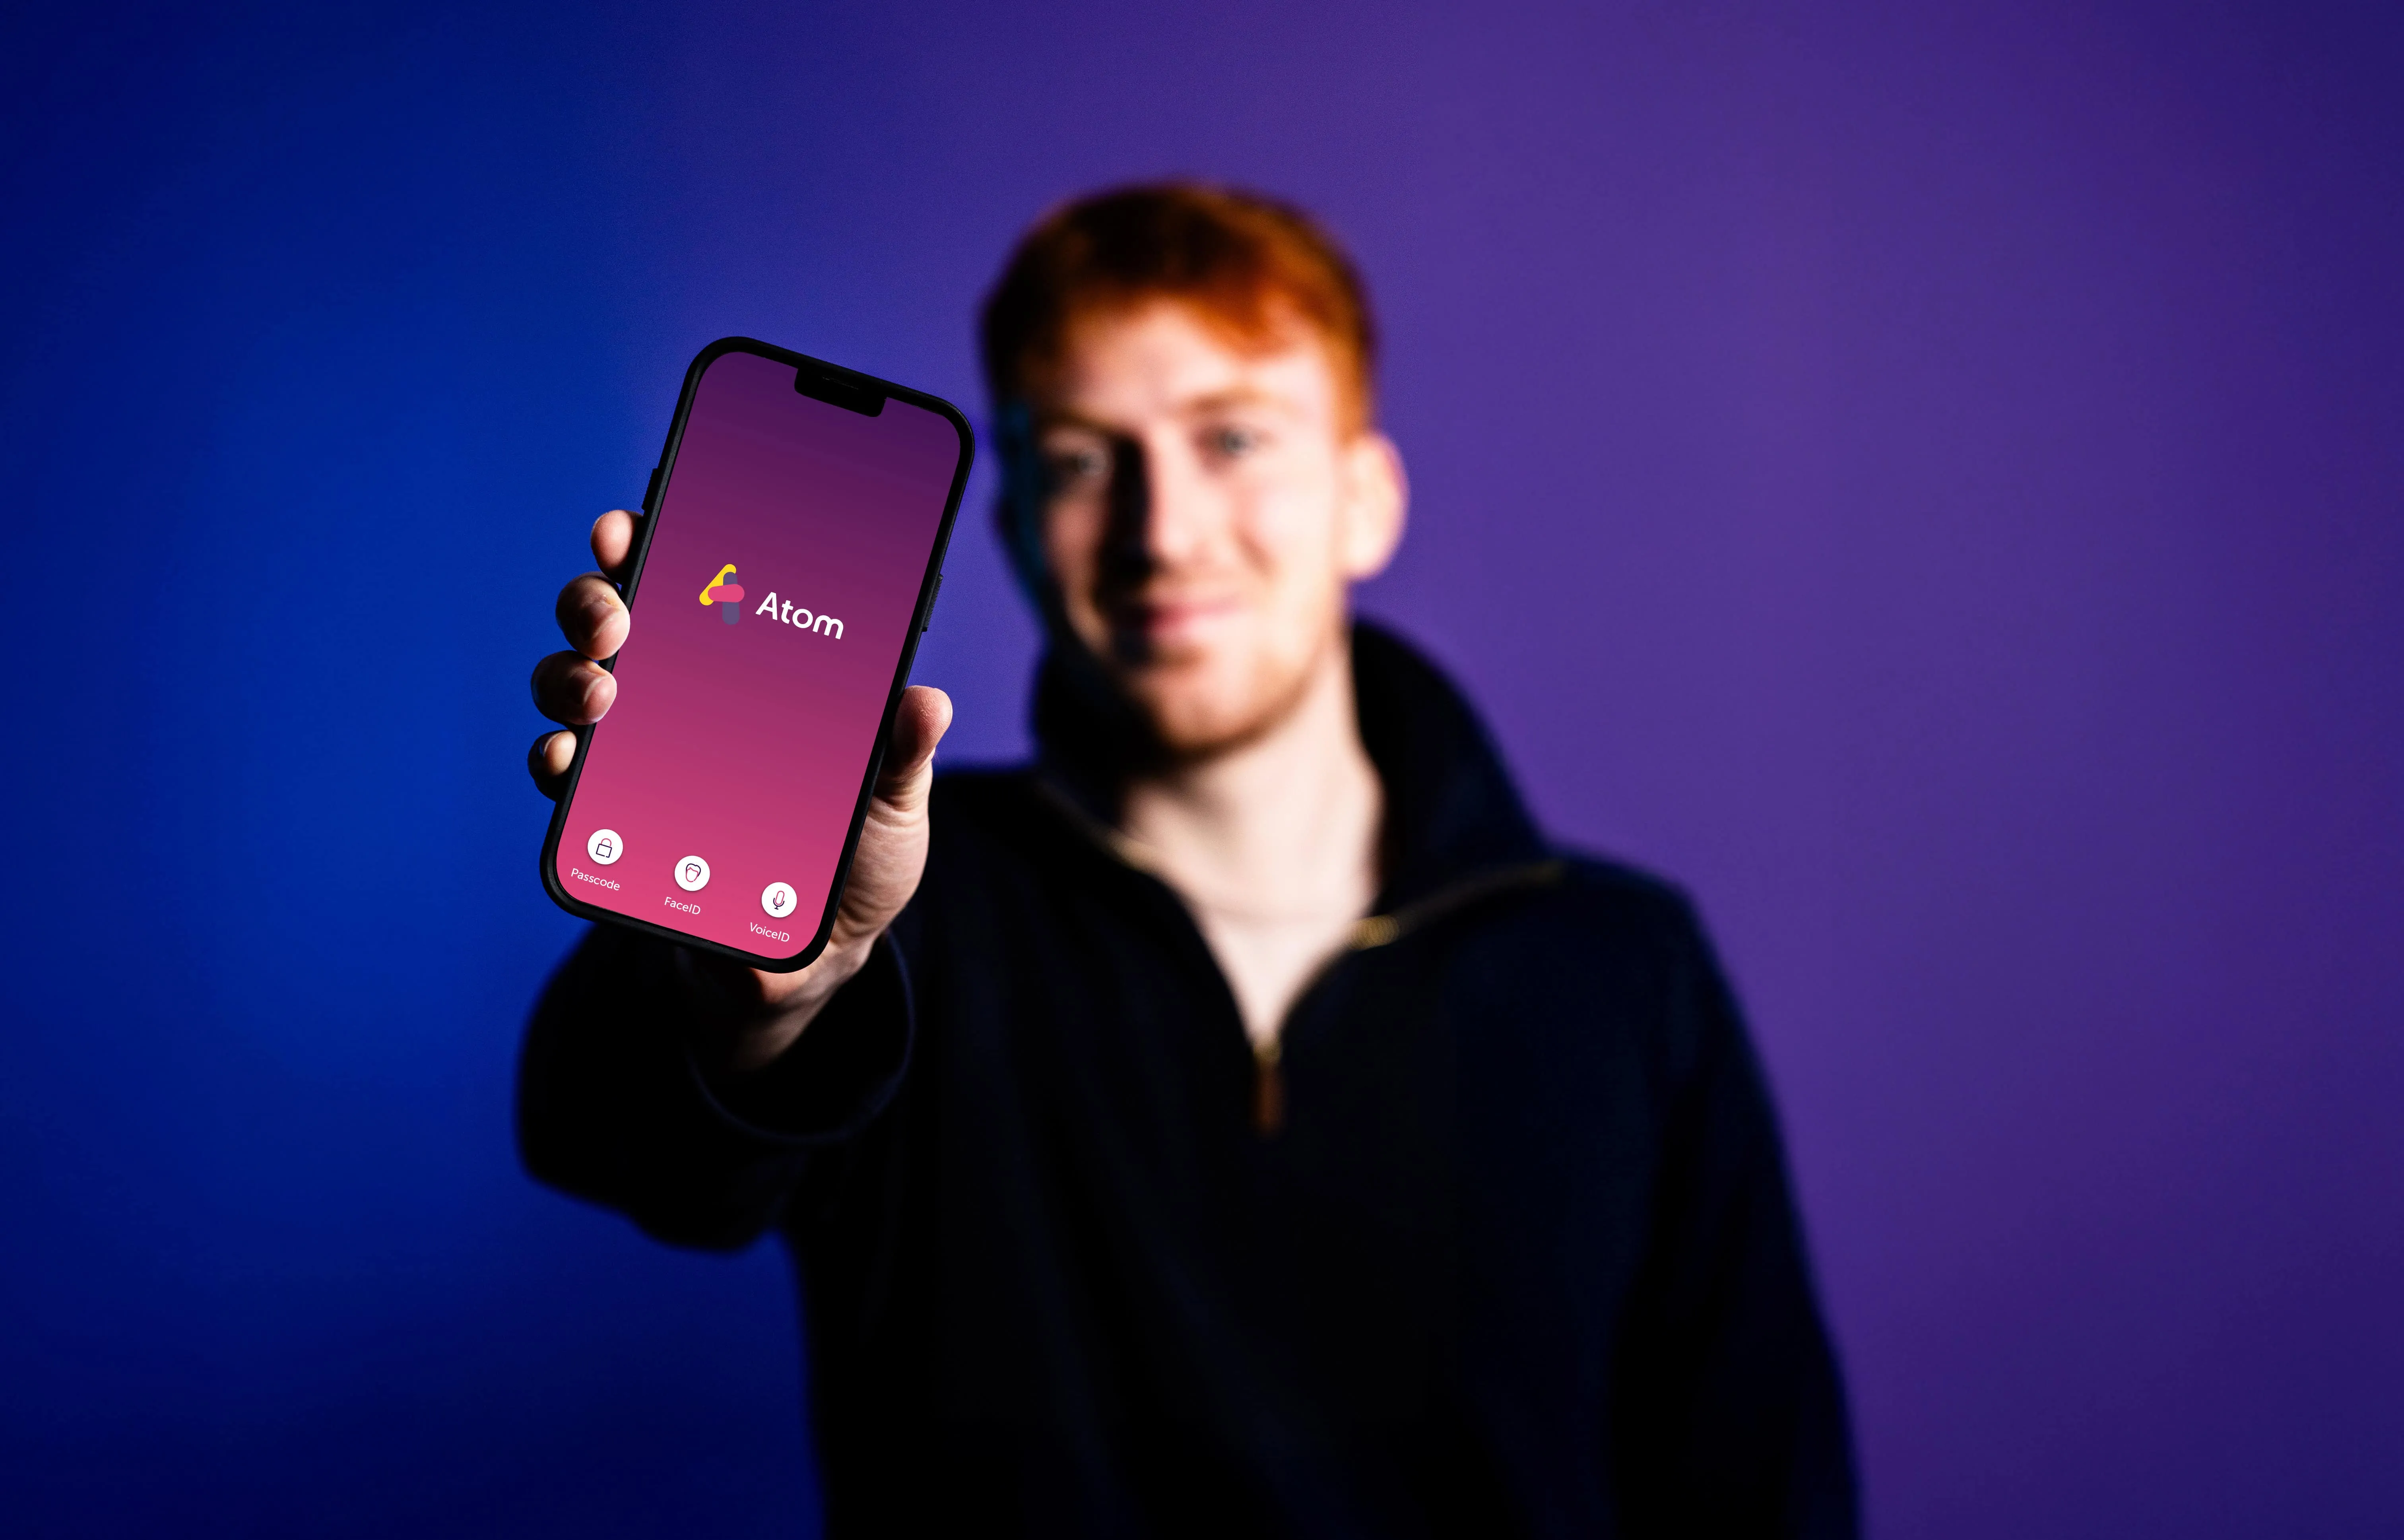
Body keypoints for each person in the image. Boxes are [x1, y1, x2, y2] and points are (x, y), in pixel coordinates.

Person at [520, 183, 1856, 1536]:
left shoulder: (1624, 972)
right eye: (1082, 461)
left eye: (1232, 438)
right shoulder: (899, 907)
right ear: (1014, 527)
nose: (1161, 532)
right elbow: (624, 1144)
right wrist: (779, 992)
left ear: (1364, 500)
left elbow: (1761, 1496)